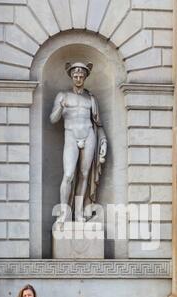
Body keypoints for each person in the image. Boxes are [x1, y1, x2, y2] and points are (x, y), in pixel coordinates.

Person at [50, 61, 107, 224]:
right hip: (71, 135)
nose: (78, 78)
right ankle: (64, 213)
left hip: (89, 134)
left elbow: (98, 124)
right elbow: (53, 119)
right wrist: (60, 108)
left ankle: (79, 212)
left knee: (84, 175)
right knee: (68, 175)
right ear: (71, 76)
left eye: (81, 75)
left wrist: (103, 141)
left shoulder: (91, 98)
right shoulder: (63, 95)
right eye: (75, 75)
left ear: (85, 77)